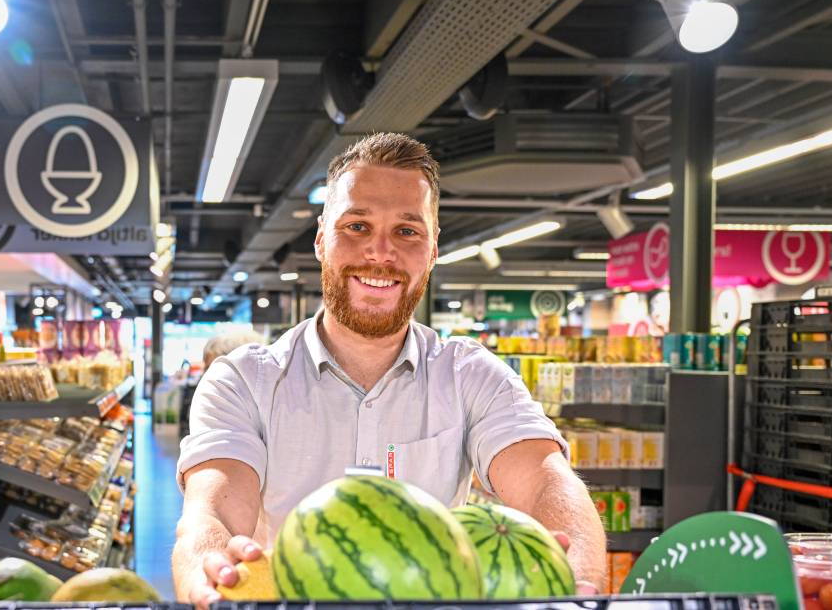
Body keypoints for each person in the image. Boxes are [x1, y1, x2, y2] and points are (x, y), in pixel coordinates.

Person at [172, 133, 605, 606]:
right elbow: (211, 509)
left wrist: (577, 585)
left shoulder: (472, 375)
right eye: (357, 226)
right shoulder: (243, 381)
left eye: (407, 231)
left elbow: (546, 480)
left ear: (433, 247)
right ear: (321, 239)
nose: (380, 253)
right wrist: (208, 561)